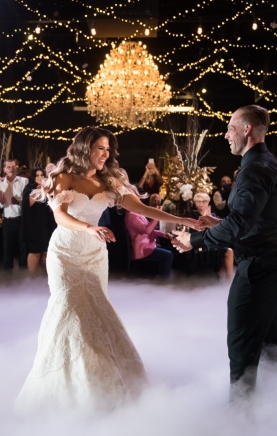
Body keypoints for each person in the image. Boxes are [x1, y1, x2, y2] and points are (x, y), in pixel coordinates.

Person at [15, 127, 198, 411]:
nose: (106, 153)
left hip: (94, 256)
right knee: (68, 308)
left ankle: (101, 377)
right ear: (84, 148)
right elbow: (60, 216)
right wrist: (89, 227)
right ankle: (64, 381)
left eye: (108, 149)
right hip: (65, 253)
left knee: (95, 311)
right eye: (100, 147)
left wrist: (181, 218)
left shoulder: (109, 182)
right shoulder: (64, 177)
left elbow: (144, 209)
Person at [171, 105, 277, 400]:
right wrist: (218, 223)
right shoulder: (273, 164)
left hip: (260, 268)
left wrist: (196, 240)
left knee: (241, 346)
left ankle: (240, 421)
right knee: (269, 341)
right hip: (276, 263)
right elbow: (258, 221)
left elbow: (241, 224)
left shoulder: (254, 169)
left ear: (246, 129)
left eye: (230, 128)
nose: (226, 135)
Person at [190, 192, 234, 280]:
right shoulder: (192, 216)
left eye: (204, 201)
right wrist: (204, 218)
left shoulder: (213, 215)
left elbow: (217, 231)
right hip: (199, 247)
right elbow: (195, 233)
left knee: (229, 250)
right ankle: (216, 276)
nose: (201, 204)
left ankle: (229, 280)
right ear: (195, 203)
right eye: (198, 202)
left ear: (208, 203)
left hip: (213, 243)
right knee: (216, 250)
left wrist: (209, 216)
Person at [21, 167, 55, 274]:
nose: (40, 177)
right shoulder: (29, 188)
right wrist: (40, 190)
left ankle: (43, 277)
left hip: (45, 224)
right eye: (37, 175)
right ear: (33, 177)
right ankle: (31, 278)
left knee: (45, 252)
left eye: (42, 175)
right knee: (34, 251)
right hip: (33, 225)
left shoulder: (47, 188)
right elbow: (28, 204)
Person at [0, 159, 28, 270]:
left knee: (23, 245)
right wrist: (1, 202)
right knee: (7, 247)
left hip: (22, 218)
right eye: (8, 167)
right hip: (8, 219)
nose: (11, 169)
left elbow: (29, 200)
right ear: (4, 169)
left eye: (13, 166)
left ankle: (24, 271)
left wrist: (18, 201)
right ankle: (7, 274)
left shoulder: (24, 181)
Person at [125, 208, 174, 277]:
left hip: (148, 245)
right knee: (169, 255)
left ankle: (170, 279)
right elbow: (147, 230)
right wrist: (157, 216)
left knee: (172, 249)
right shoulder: (131, 216)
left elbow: (150, 230)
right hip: (142, 249)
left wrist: (163, 234)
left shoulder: (136, 213)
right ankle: (164, 282)